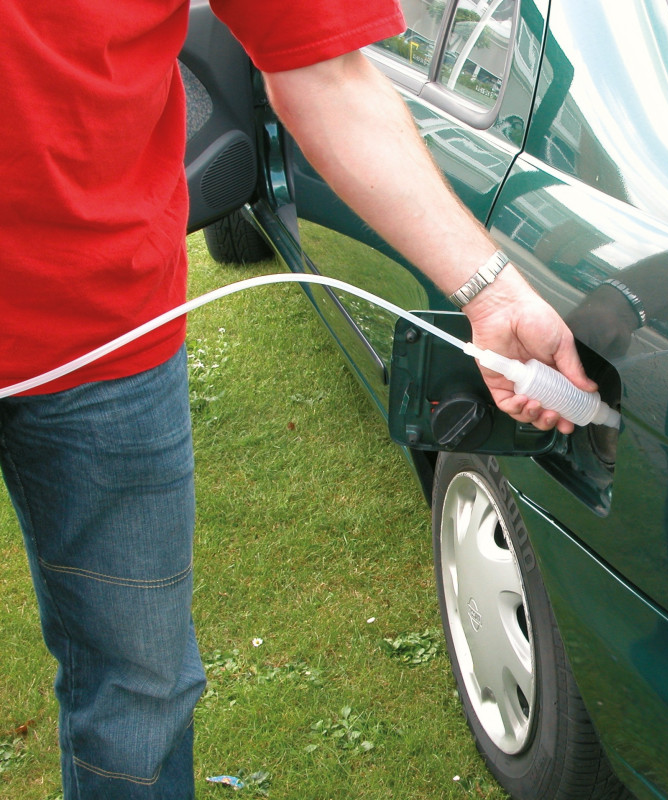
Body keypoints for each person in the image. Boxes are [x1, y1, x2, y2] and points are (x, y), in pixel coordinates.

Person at [0, 2, 594, 797]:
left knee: (139, 690)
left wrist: (490, 292)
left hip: (107, 349)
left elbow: (325, 66)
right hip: (109, 348)